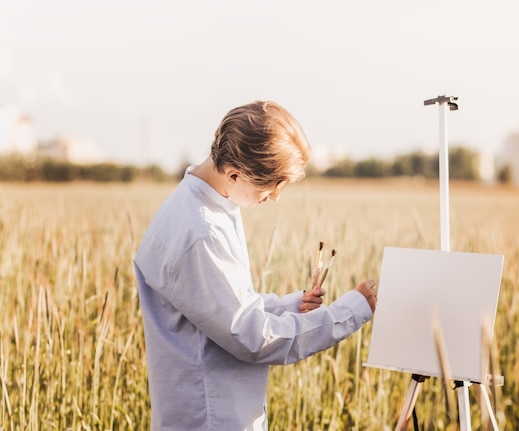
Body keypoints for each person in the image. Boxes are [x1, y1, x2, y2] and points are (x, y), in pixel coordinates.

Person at [134, 100, 378, 430]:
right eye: (271, 186)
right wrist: (349, 311)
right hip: (211, 420)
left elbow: (222, 308)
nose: (276, 197)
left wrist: (292, 305)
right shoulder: (201, 233)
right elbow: (252, 337)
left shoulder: (208, 202)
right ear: (234, 173)